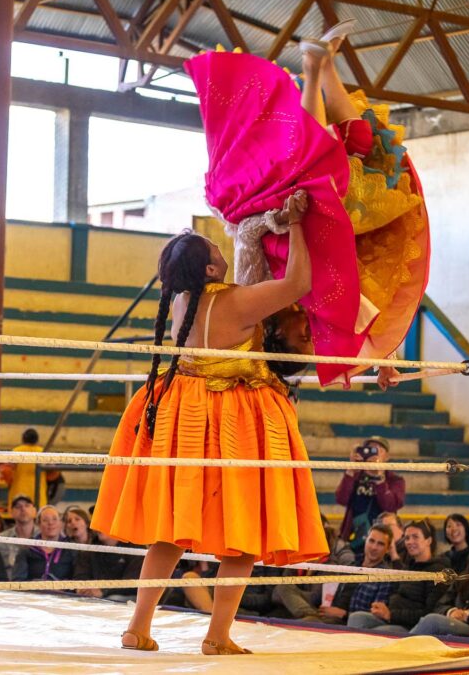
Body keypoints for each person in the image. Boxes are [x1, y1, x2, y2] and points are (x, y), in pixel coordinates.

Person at [91, 217, 328, 655]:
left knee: (170, 533)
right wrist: (297, 223)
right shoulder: (236, 303)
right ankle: (217, 636)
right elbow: (298, 281)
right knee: (242, 533)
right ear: (210, 270)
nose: (221, 250)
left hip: (184, 414)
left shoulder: (181, 303)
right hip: (231, 419)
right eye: (214, 250)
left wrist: (252, 233)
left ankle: (136, 627)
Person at [187, 33, 430, 387]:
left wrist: (286, 220)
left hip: (264, 200)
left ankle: (312, 70)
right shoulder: (316, 312)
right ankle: (327, 64)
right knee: (364, 146)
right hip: (322, 215)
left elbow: (246, 233)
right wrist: (385, 362)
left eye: (299, 338)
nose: (308, 333)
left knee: (317, 172)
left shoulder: (255, 294)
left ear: (274, 333)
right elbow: (364, 312)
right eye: (309, 340)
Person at [346, 519, 449, 635]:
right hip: (393, 619)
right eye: (407, 538)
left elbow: (430, 612)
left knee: (379, 633)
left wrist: (391, 614)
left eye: (415, 537)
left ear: (428, 540)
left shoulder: (438, 571)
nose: (410, 542)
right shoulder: (408, 567)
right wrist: (383, 608)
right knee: (357, 617)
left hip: (413, 626)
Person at [412, 533, 469, 636]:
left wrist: (467, 616)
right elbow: (440, 605)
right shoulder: (463, 579)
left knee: (432, 621)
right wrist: (451, 612)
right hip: (454, 627)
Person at [335, 436, 405, 551]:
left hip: (382, 541)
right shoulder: (356, 475)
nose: (373, 453)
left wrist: (379, 478)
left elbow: (390, 506)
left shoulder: (395, 480)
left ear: (387, 456)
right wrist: (351, 470)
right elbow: (341, 499)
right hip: (353, 538)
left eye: (378, 450)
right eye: (369, 449)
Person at [321, 524, 396, 625]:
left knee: (309, 622)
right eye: (371, 541)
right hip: (329, 612)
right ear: (366, 541)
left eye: (380, 544)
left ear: (387, 549)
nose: (374, 547)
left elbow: (376, 614)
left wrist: (343, 614)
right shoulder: (353, 564)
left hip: (349, 622)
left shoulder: (385, 576)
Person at [74, 529, 144, 602]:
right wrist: (83, 587)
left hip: (123, 598)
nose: (99, 527)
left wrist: (103, 591)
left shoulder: (135, 549)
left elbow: (132, 582)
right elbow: (81, 574)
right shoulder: (92, 549)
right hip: (95, 597)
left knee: (113, 598)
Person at [11, 505, 74, 582]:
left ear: (61, 523)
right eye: (45, 520)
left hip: (63, 593)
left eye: (54, 519)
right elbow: (17, 581)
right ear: (39, 524)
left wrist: (63, 587)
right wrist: (35, 585)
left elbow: (78, 581)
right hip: (34, 593)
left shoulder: (71, 549)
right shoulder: (27, 550)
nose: (50, 523)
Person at [0, 428, 56, 509]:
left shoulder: (16, 451)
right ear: (37, 440)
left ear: (23, 439)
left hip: (18, 494)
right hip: (38, 495)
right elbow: (53, 474)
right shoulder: (43, 452)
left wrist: (9, 482)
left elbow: (5, 471)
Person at [0, 495, 36, 568]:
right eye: (18, 506)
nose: (23, 509)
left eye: (27, 505)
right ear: (11, 512)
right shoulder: (0, 541)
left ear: (35, 510)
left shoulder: (45, 537)